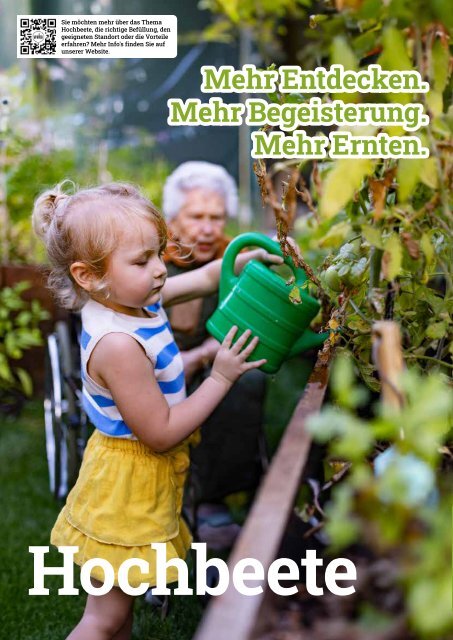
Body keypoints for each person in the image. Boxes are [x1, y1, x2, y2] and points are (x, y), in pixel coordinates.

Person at [32, 181, 282, 640]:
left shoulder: (132, 301)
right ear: (88, 275)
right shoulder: (118, 345)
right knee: (103, 619)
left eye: (159, 253)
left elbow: (207, 279)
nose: (160, 270)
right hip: (127, 486)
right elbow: (162, 431)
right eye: (142, 260)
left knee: (119, 617)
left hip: (137, 479)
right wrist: (222, 377)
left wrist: (244, 263)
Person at [162, 162, 268, 546]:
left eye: (217, 217)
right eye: (197, 217)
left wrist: (205, 356)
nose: (208, 228)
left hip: (214, 358)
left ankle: (212, 501)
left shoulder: (236, 261)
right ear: (173, 219)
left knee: (247, 379)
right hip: (154, 361)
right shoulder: (153, 265)